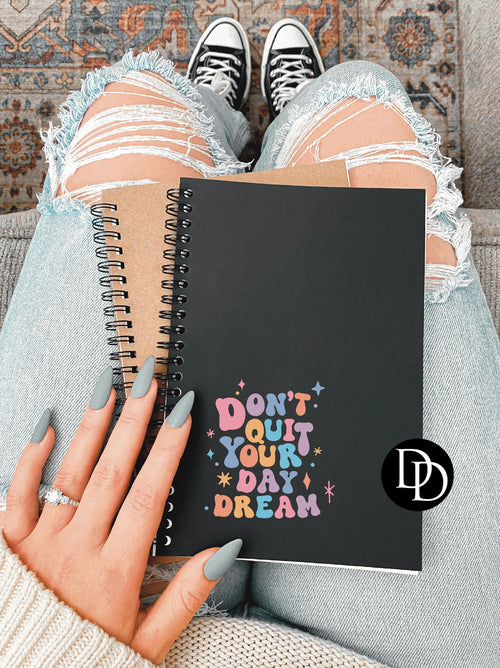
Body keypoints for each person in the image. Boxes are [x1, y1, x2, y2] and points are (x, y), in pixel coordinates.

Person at [0, 16, 498, 668]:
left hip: (56, 617)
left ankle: (216, 113)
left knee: (136, 114)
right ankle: (290, 117)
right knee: (362, 123)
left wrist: (47, 640)